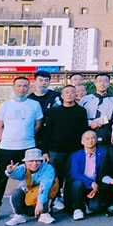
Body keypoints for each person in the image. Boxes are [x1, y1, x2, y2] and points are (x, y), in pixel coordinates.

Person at [0, 77, 44, 222]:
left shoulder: (34, 105)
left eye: (25, 86)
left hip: (28, 147)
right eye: (19, 86)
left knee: (31, 178)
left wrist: (26, 137)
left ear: (29, 88)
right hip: (7, 148)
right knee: (2, 179)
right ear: (13, 87)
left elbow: (38, 125)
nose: (21, 89)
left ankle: (30, 207)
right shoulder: (5, 106)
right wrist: (7, 139)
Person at [41, 84, 89, 212]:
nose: (69, 94)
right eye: (66, 92)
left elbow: (84, 131)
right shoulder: (54, 112)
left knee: (71, 178)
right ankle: (52, 204)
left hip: (75, 151)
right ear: (62, 96)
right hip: (55, 151)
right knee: (54, 178)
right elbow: (47, 132)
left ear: (76, 95)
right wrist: (45, 151)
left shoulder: (81, 111)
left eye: (72, 92)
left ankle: (69, 205)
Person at [4, 148, 58, 226]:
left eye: (37, 160)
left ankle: (44, 214)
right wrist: (10, 171)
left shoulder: (47, 168)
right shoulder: (23, 168)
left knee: (45, 190)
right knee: (16, 193)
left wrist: (40, 203)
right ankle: (19, 215)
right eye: (31, 161)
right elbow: (16, 174)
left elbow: (45, 185)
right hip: (28, 197)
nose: (34, 164)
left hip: (42, 200)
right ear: (25, 162)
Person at [68, 130, 106, 220]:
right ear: (82, 141)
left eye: (93, 138)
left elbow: (104, 171)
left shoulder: (103, 153)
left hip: (96, 185)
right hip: (83, 183)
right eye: (87, 139)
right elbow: (75, 174)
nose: (90, 141)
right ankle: (78, 209)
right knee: (77, 183)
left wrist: (97, 184)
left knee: (95, 208)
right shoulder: (76, 155)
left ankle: (88, 203)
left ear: (96, 140)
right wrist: (91, 182)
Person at [79, 73, 113, 147]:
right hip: (87, 130)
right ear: (95, 83)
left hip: (105, 131)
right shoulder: (85, 99)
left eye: (105, 81)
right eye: (99, 81)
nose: (102, 83)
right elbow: (79, 117)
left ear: (109, 84)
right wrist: (90, 123)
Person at [29, 70, 61, 152]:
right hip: (35, 135)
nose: (43, 83)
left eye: (46, 80)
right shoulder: (29, 99)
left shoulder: (57, 96)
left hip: (54, 134)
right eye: (40, 80)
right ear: (35, 81)